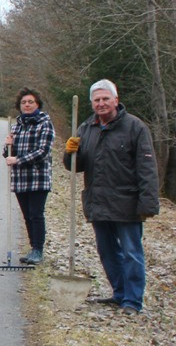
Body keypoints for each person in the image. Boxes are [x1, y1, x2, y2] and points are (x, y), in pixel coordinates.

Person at [63, 79, 160, 315]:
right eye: (96, 100)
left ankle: (133, 301)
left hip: (127, 204)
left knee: (131, 253)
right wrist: (70, 152)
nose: (101, 103)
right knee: (107, 252)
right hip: (98, 203)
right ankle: (119, 293)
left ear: (116, 100)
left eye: (106, 98)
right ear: (92, 103)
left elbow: (147, 168)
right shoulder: (86, 128)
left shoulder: (135, 127)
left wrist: (148, 203)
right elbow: (75, 167)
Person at [4, 88, 55, 265]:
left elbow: (42, 151)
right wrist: (8, 146)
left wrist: (17, 159)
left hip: (38, 177)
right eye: (24, 102)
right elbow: (8, 155)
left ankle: (38, 250)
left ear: (37, 104)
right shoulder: (16, 126)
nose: (27, 105)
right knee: (27, 215)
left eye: (30, 102)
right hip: (20, 179)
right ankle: (33, 247)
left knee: (36, 214)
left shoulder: (45, 123)